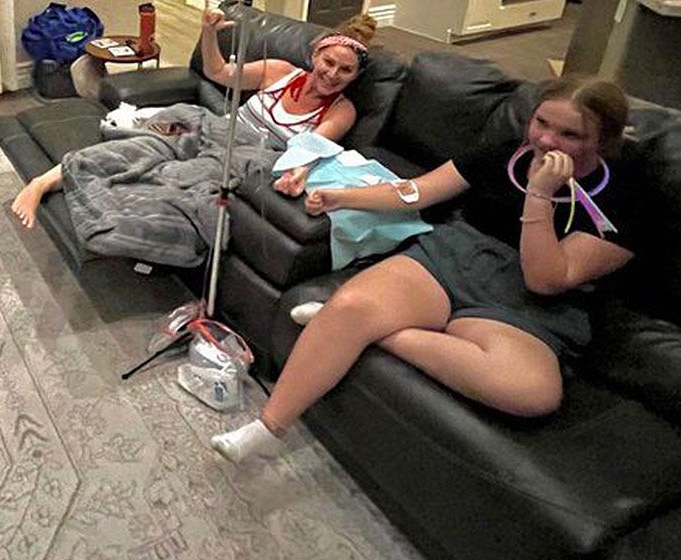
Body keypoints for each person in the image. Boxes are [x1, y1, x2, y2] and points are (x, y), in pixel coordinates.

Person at [212, 76, 641, 463]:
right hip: (454, 257)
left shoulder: (624, 197)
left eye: (569, 134)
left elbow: (543, 279)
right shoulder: (507, 152)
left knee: (534, 392)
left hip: (527, 304)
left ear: (602, 141)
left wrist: (540, 195)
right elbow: (418, 191)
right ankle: (268, 428)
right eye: (541, 122)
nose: (546, 140)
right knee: (353, 304)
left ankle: (374, 330)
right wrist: (342, 197)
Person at [10, 5, 376, 229]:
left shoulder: (341, 110)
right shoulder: (279, 71)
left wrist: (300, 172)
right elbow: (218, 73)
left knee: (174, 179)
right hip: (212, 126)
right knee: (144, 143)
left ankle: (105, 212)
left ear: (355, 76)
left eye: (345, 70)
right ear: (315, 56)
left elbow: (311, 148)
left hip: (245, 156)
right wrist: (208, 33)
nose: (332, 74)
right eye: (329, 62)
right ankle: (42, 183)